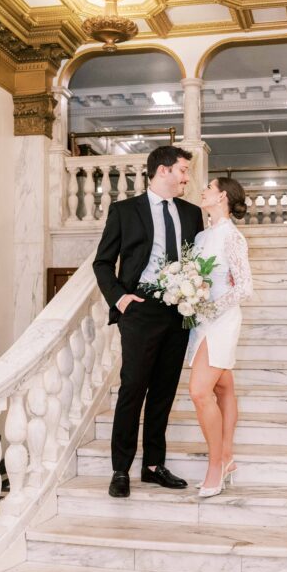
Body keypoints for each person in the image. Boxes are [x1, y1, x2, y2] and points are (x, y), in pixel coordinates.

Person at [93, 145, 204, 498]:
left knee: (164, 391)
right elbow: (102, 262)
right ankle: (121, 469)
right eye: (183, 170)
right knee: (133, 388)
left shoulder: (191, 213)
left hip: (178, 312)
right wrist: (121, 298)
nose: (187, 177)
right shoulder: (125, 211)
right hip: (140, 309)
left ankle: (154, 465)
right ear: (163, 171)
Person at [187, 178, 253, 499]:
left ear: (222, 196)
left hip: (223, 320)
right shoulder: (201, 237)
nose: (203, 191)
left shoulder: (232, 237)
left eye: (208, 188)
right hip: (199, 320)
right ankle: (226, 457)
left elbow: (244, 287)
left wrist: (212, 306)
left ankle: (215, 465)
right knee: (223, 385)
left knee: (199, 391)